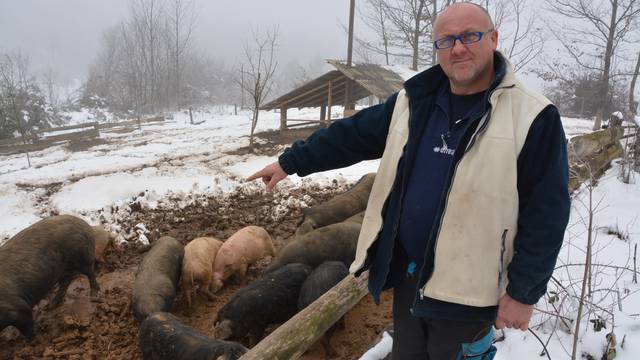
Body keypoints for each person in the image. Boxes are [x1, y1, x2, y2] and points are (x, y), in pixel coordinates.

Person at [248, 3, 570, 359]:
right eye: (446, 40)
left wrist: (524, 292)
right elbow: (351, 135)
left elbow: (547, 213)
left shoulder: (533, 117)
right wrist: (290, 161)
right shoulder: (415, 101)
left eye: (470, 36)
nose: (458, 48)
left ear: (493, 39)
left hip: (469, 293)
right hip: (410, 278)